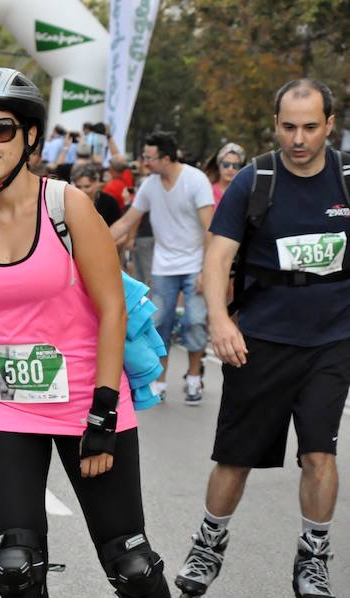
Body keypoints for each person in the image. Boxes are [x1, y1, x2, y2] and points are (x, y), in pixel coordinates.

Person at [0, 67, 169, 598]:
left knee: (130, 565)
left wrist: (104, 411)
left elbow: (112, 310)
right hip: (3, 403)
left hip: (87, 398)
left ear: (30, 135)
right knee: (15, 565)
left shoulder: (69, 206)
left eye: (0, 129)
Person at [175, 79, 349, 598]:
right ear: (275, 124)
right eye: (289, 126)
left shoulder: (346, 179)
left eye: (310, 127)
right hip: (260, 340)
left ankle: (313, 559)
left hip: (331, 340)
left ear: (329, 126)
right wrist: (220, 321)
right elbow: (217, 258)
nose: (299, 138)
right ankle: (209, 543)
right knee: (237, 456)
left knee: (320, 454)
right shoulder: (256, 180)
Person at [110, 132, 214, 403]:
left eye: (149, 157)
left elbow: (209, 229)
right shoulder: (150, 186)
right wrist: (93, 245)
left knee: (194, 322)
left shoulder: (195, 180)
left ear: (166, 158)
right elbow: (126, 222)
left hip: (195, 265)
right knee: (158, 324)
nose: (144, 162)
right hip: (164, 266)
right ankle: (160, 381)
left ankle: (194, 378)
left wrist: (207, 269)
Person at [205, 142, 246, 209]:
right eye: (226, 164)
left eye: (236, 166)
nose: (230, 169)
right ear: (218, 165)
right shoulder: (207, 191)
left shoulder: (245, 194)